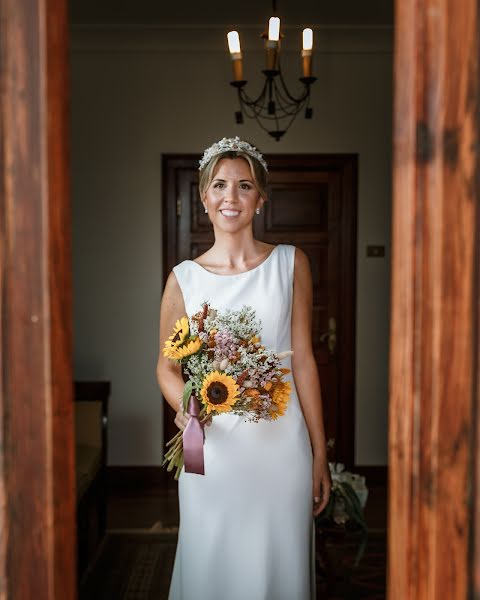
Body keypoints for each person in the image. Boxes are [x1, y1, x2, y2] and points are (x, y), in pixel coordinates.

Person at [156, 136, 331, 600]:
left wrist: (318, 452)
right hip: (212, 451)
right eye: (219, 185)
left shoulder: (292, 264)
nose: (230, 197)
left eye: (244, 186)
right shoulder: (183, 278)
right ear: (203, 197)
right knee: (211, 559)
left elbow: (304, 363)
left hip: (281, 450)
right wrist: (187, 408)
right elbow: (166, 368)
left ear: (261, 198)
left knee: (279, 561)